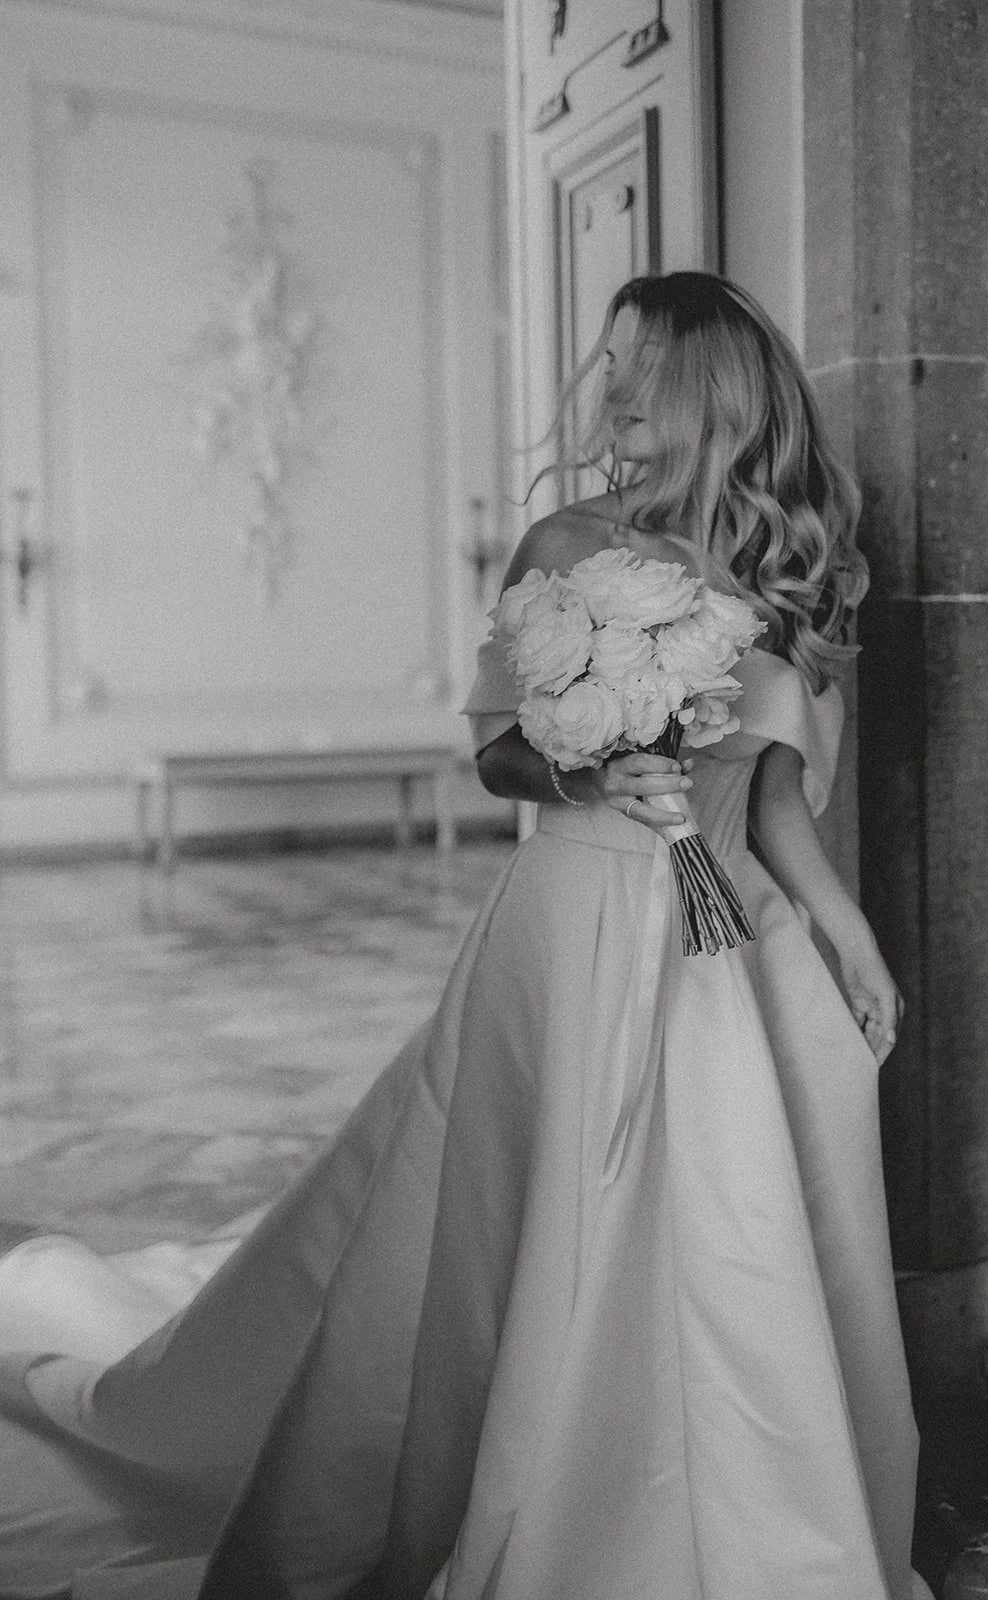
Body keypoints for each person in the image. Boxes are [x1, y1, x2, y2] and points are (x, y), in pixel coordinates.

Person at [0, 271, 933, 1600]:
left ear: (705, 388)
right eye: (601, 364)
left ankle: (746, 1518)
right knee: (541, 1220)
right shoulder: (563, 545)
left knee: (729, 1227)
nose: (603, 392)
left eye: (632, 367)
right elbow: (492, 758)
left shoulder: (781, 566)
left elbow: (775, 803)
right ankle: (536, 1499)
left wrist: (852, 945)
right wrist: (584, 776)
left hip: (730, 940)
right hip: (571, 926)